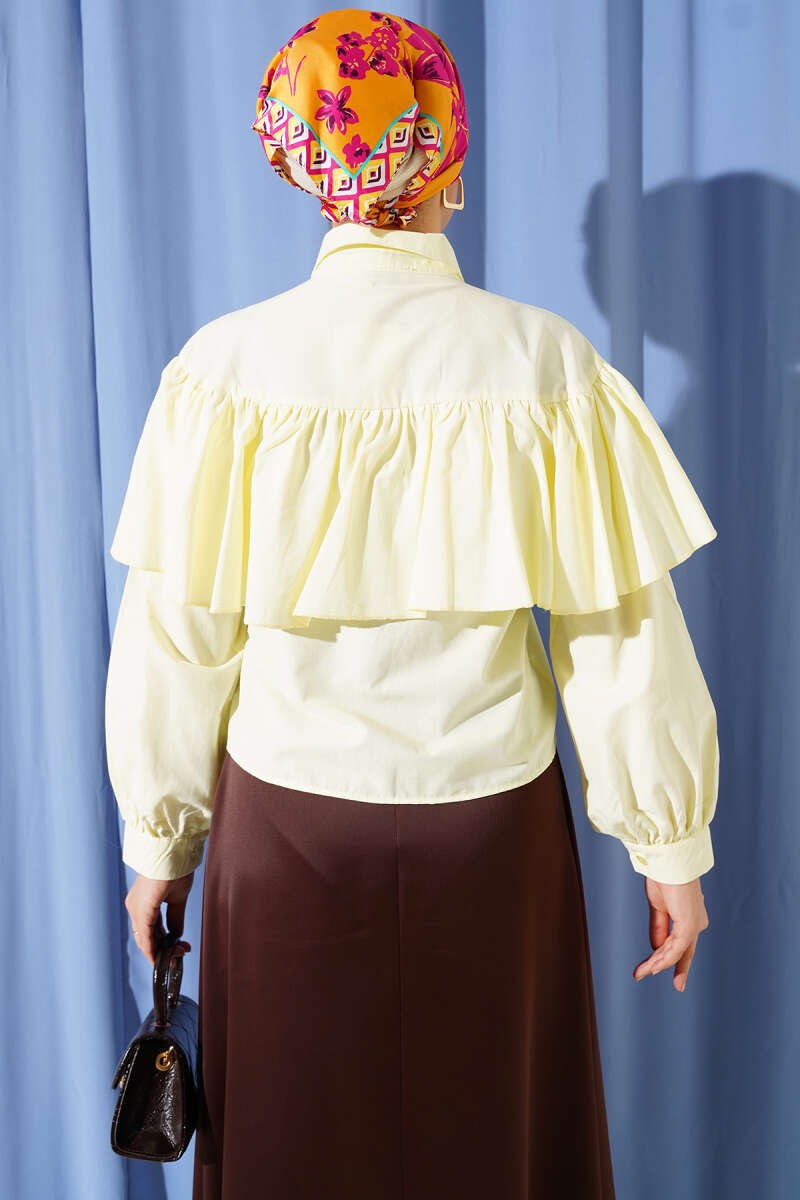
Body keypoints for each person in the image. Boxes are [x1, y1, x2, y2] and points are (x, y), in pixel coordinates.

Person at [105, 9, 719, 1199]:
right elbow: (617, 631)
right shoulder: (543, 363)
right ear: (447, 156)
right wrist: (669, 848)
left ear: (303, 165)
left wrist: (158, 844)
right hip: (488, 832)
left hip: (286, 831)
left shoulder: (225, 370)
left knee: (292, 1157)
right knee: (494, 1152)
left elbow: (176, 639)